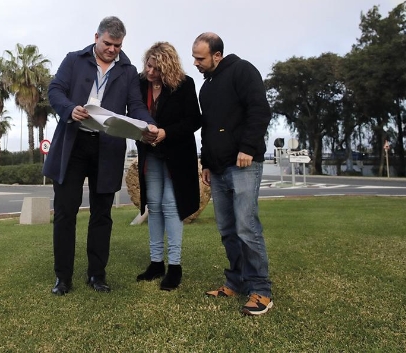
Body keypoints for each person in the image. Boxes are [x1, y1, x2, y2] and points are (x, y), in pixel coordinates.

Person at [44, 16, 158, 295]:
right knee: (65, 213)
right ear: (96, 37)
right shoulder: (73, 60)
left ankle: (97, 275)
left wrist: (147, 123)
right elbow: (55, 90)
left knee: (102, 215)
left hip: (107, 148)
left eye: (117, 45)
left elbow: (135, 106)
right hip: (73, 145)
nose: (112, 50)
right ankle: (63, 277)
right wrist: (70, 108)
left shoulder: (128, 70)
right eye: (108, 43)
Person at [193, 32, 274, 316]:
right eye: (194, 57)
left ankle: (261, 290)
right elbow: (208, 127)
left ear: (217, 55)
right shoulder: (206, 88)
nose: (195, 63)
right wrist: (205, 162)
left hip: (244, 164)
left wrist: (248, 147)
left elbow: (260, 110)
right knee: (227, 230)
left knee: (246, 226)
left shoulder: (242, 70)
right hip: (217, 167)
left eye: (200, 58)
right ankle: (236, 281)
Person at [134, 42, 201, 291]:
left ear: (168, 67)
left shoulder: (185, 84)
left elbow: (194, 120)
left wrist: (166, 133)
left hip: (177, 156)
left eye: (157, 69)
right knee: (154, 205)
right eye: (149, 66)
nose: (150, 72)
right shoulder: (140, 83)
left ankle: (175, 266)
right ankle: (155, 263)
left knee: (172, 206)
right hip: (149, 154)